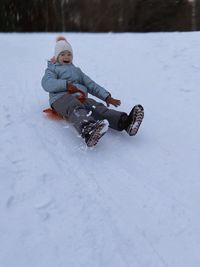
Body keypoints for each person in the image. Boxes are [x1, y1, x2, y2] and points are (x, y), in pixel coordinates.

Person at [41, 36, 144, 147]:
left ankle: (126, 122)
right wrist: (65, 85)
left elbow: (91, 84)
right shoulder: (52, 69)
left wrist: (106, 97)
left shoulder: (77, 71)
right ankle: (88, 130)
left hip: (80, 97)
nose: (66, 56)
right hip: (61, 98)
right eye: (62, 54)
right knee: (74, 106)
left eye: (69, 54)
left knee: (97, 107)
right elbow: (46, 83)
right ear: (56, 57)